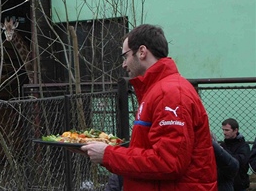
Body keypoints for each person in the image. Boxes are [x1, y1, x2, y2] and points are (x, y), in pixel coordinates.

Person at [81, 24, 217, 190]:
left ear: (142, 52)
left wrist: (108, 155)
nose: (124, 64)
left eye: (125, 56)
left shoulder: (170, 93)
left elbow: (169, 162)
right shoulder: (158, 91)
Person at [220, 118, 250, 191]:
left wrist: (223, 152)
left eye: (227, 130)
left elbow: (239, 161)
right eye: (223, 130)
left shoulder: (244, 146)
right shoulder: (223, 145)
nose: (224, 132)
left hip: (239, 185)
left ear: (235, 130)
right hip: (224, 185)